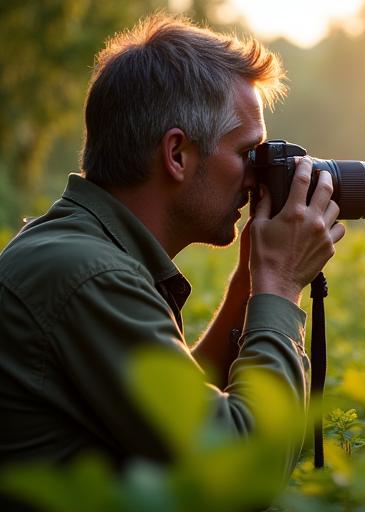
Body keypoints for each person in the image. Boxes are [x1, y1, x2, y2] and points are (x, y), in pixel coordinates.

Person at [0, 13, 344, 472]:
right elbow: (240, 467)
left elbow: (178, 405)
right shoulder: (88, 275)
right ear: (177, 154)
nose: (256, 177)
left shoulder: (80, 250)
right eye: (247, 153)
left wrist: (249, 282)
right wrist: (280, 286)